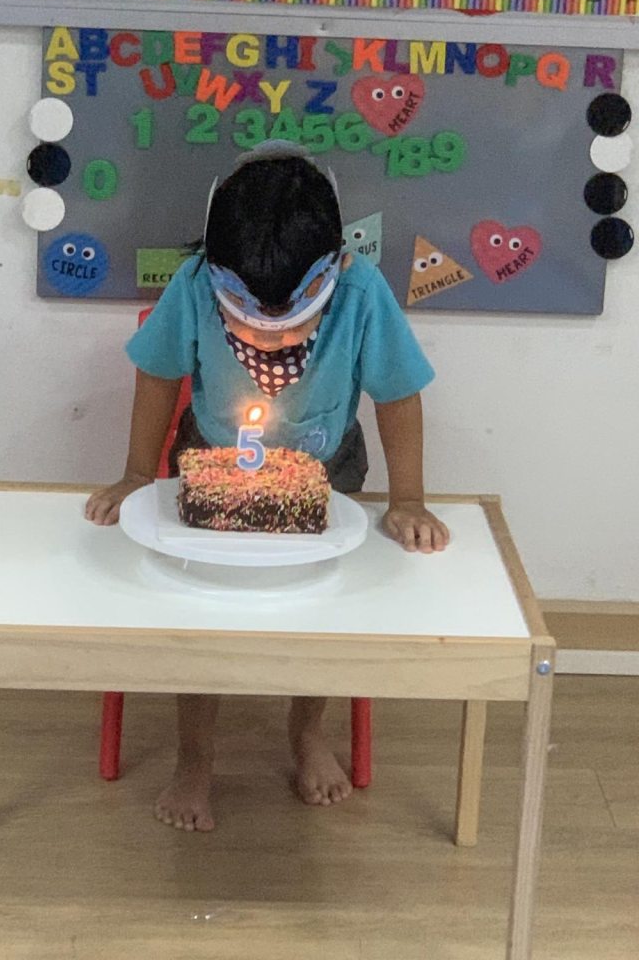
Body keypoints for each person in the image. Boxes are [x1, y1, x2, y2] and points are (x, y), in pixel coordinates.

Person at [85, 141, 449, 832]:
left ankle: (307, 729)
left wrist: (408, 499)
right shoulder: (194, 284)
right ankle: (196, 758)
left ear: (336, 267)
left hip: (326, 471)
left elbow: (399, 395)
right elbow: (159, 373)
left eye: (290, 327)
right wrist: (137, 473)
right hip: (210, 460)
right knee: (199, 614)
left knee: (320, 615)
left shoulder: (362, 290)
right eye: (249, 324)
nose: (271, 341)